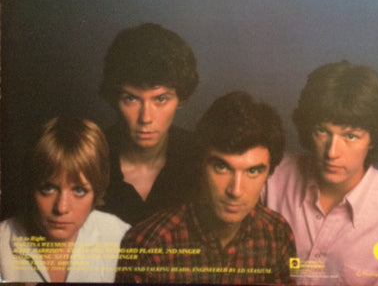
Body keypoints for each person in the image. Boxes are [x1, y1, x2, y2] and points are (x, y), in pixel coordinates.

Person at [116, 91, 296, 284]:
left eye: (252, 171)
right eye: (221, 167)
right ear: (201, 165)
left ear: (269, 172)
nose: (235, 191)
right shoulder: (147, 246)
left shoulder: (277, 234)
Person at [263, 61, 378, 286]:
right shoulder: (270, 177)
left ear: (372, 139)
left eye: (350, 136)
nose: (332, 152)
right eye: (322, 131)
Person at [0, 117, 130, 283]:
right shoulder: (2, 242)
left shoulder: (122, 237)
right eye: (48, 188)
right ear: (31, 186)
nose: (61, 208)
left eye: (79, 190)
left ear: (97, 191)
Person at [99, 23, 199, 225]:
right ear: (114, 99)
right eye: (131, 99)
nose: (145, 118)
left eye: (160, 99)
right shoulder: (88, 158)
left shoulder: (201, 157)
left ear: (180, 100)